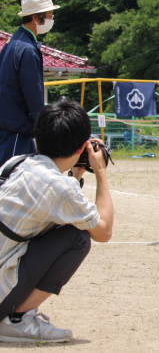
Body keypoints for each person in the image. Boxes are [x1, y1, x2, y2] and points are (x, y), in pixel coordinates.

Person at [0, 99, 114, 343]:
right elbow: (103, 232)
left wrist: (76, 175)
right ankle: (16, 320)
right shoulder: (59, 188)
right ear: (83, 146)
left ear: (38, 139)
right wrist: (101, 174)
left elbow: (51, 201)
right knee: (77, 238)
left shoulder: (17, 163)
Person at [0, 0, 60, 167]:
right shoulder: (27, 49)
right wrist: (43, 129)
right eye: (49, 15)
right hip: (18, 130)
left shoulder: (13, 44)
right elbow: (33, 95)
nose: (51, 19)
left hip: (7, 125)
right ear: (36, 17)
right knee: (11, 184)